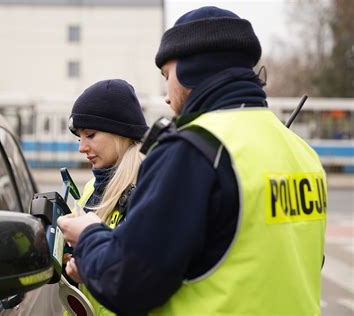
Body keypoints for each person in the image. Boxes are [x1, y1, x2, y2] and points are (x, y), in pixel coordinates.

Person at [58, 6, 327, 316]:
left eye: (167, 76)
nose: (167, 97)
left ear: (189, 69)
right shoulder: (302, 152)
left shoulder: (194, 150)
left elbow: (129, 283)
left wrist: (90, 235)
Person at [65, 79, 148, 315]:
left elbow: (140, 281)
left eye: (90, 135)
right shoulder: (93, 185)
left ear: (120, 133)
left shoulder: (146, 188)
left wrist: (89, 269)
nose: (81, 147)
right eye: (79, 137)